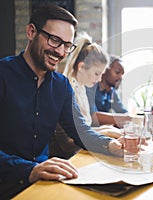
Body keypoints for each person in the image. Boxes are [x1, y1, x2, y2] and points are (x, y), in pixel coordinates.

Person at [0, 4, 123, 198]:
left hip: (44, 185)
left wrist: (111, 145)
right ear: (31, 32)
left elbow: (81, 132)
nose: (60, 52)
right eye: (54, 40)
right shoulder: (3, 75)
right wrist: (29, 169)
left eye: (67, 45)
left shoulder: (61, 86)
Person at [49, 32, 123, 159]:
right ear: (82, 66)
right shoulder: (67, 90)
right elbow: (69, 143)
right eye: (96, 73)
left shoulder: (81, 88)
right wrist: (107, 134)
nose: (100, 79)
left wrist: (109, 132)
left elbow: (85, 130)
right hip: (65, 159)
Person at [86, 56, 132, 127]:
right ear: (105, 70)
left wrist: (130, 118)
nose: (120, 77)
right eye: (117, 72)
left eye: (122, 74)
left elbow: (123, 112)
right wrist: (128, 118)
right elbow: (93, 117)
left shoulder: (112, 92)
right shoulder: (90, 86)